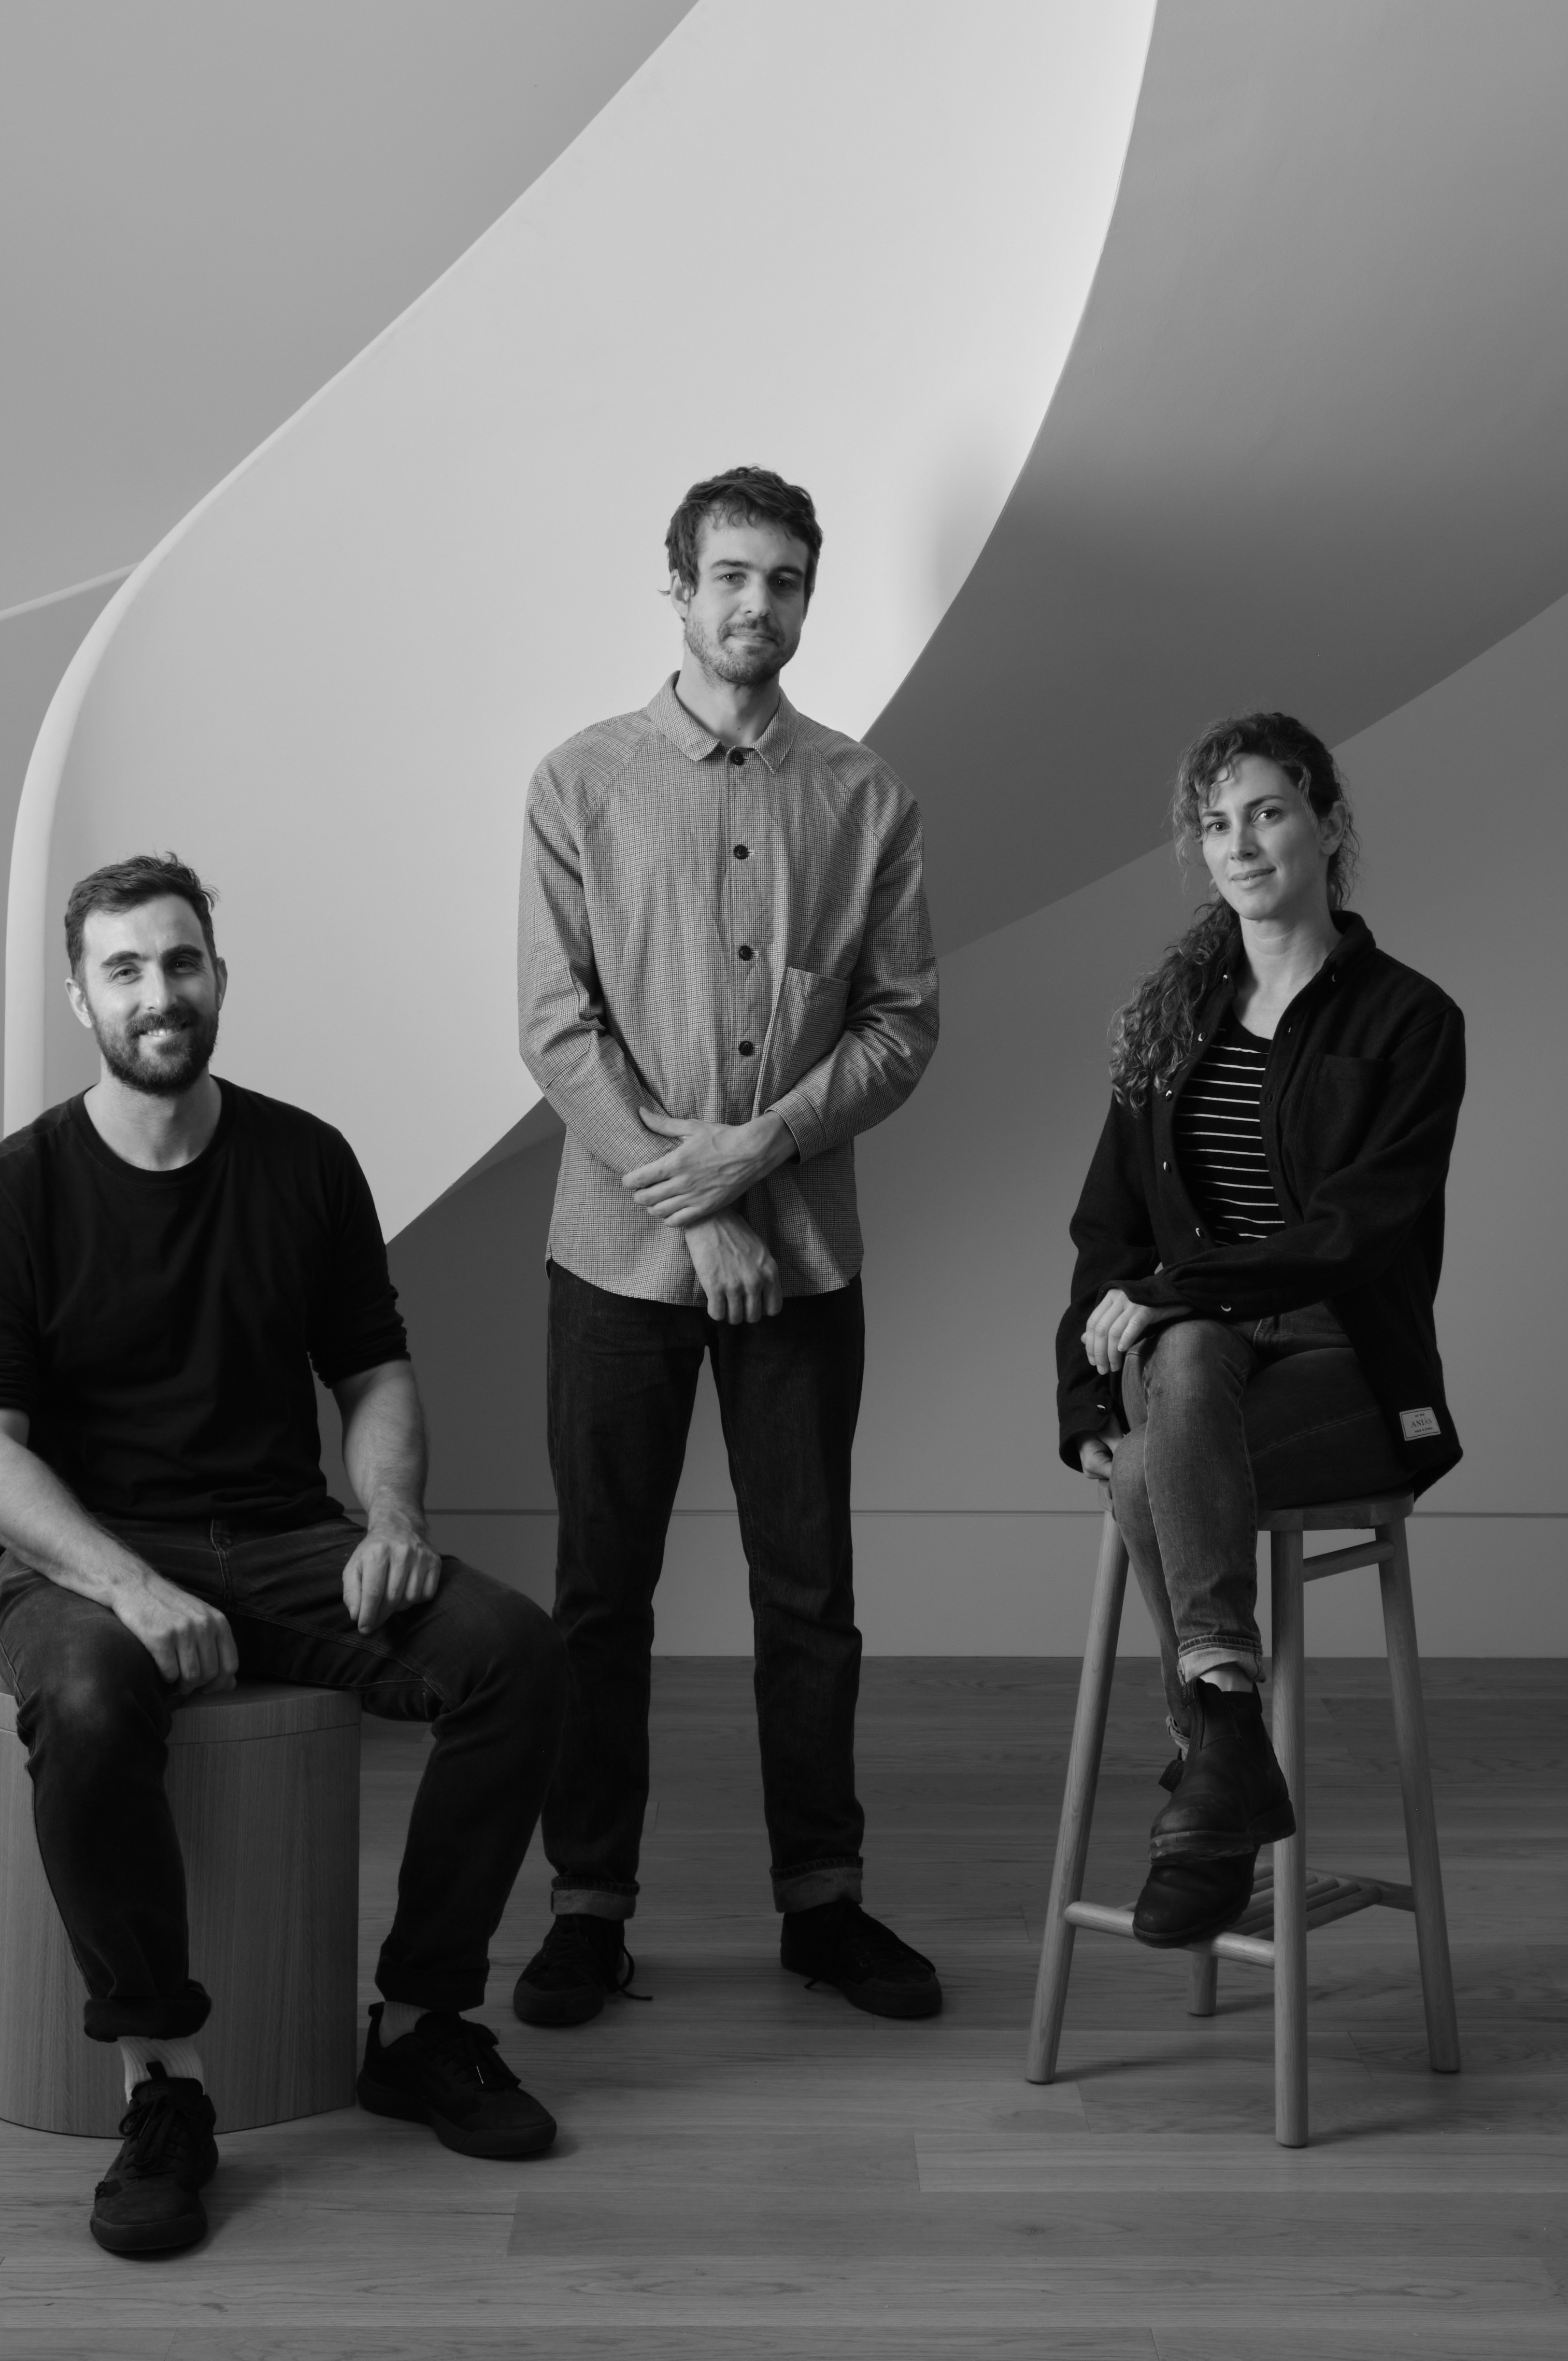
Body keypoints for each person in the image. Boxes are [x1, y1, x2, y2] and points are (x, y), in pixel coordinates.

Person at [0, 854, 567, 2258]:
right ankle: (163, 2082)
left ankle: (421, 2020)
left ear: (217, 971)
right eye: (127, 970)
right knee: (90, 1702)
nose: (160, 993)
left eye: (182, 961)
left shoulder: (303, 1160)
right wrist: (125, 1582)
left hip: (285, 1539)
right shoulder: (12, 1190)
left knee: (513, 1652)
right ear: (81, 994)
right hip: (90, 1558)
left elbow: (375, 1371)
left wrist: (390, 1520)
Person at [513, 465, 942, 2026]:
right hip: (613, 1259)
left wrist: (760, 1153)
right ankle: (585, 1906)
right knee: (597, 1593)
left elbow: (904, 1025)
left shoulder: (864, 795)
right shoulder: (580, 783)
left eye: (784, 582)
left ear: (806, 599)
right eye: (730, 576)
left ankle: (822, 1905)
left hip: (803, 1260)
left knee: (805, 1593)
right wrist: (697, 1213)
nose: (755, 606)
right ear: (678, 587)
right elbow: (557, 1031)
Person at [1057, 713, 1465, 1949]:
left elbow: (1359, 1230)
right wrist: (1081, 1404)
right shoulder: (1173, 1013)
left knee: (1161, 1422)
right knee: (1167, 1379)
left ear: (1326, 828)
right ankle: (1231, 1733)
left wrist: (1188, 1289)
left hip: (1350, 1364)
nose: (1239, 843)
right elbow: (1105, 1225)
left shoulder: (1409, 1019)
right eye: (1214, 822)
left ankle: (1215, 1766)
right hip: (1204, 1373)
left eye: (1267, 812)